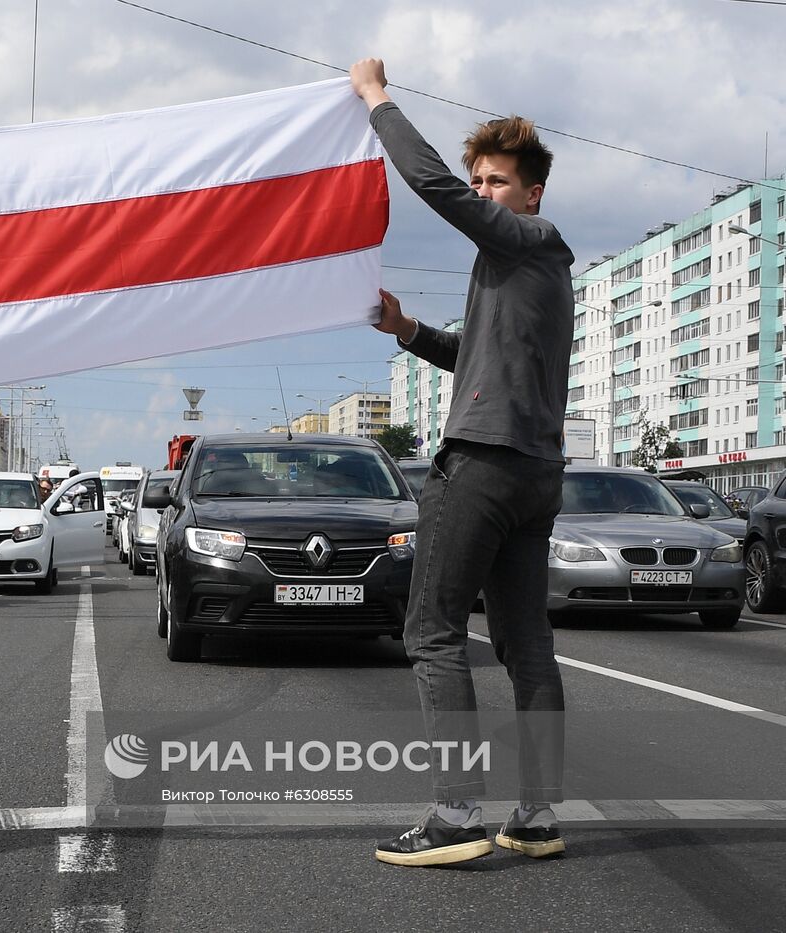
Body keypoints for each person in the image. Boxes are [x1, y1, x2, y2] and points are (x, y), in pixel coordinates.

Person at [350, 59, 572, 867]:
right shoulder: (524, 268)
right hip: (533, 472)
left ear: (532, 193)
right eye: (480, 178)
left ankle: (454, 815)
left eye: (498, 181)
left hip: (480, 466)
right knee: (524, 643)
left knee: (432, 631)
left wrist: (378, 102)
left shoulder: (531, 241)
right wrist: (409, 332)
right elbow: (476, 358)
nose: (482, 191)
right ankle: (538, 815)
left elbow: (431, 185)